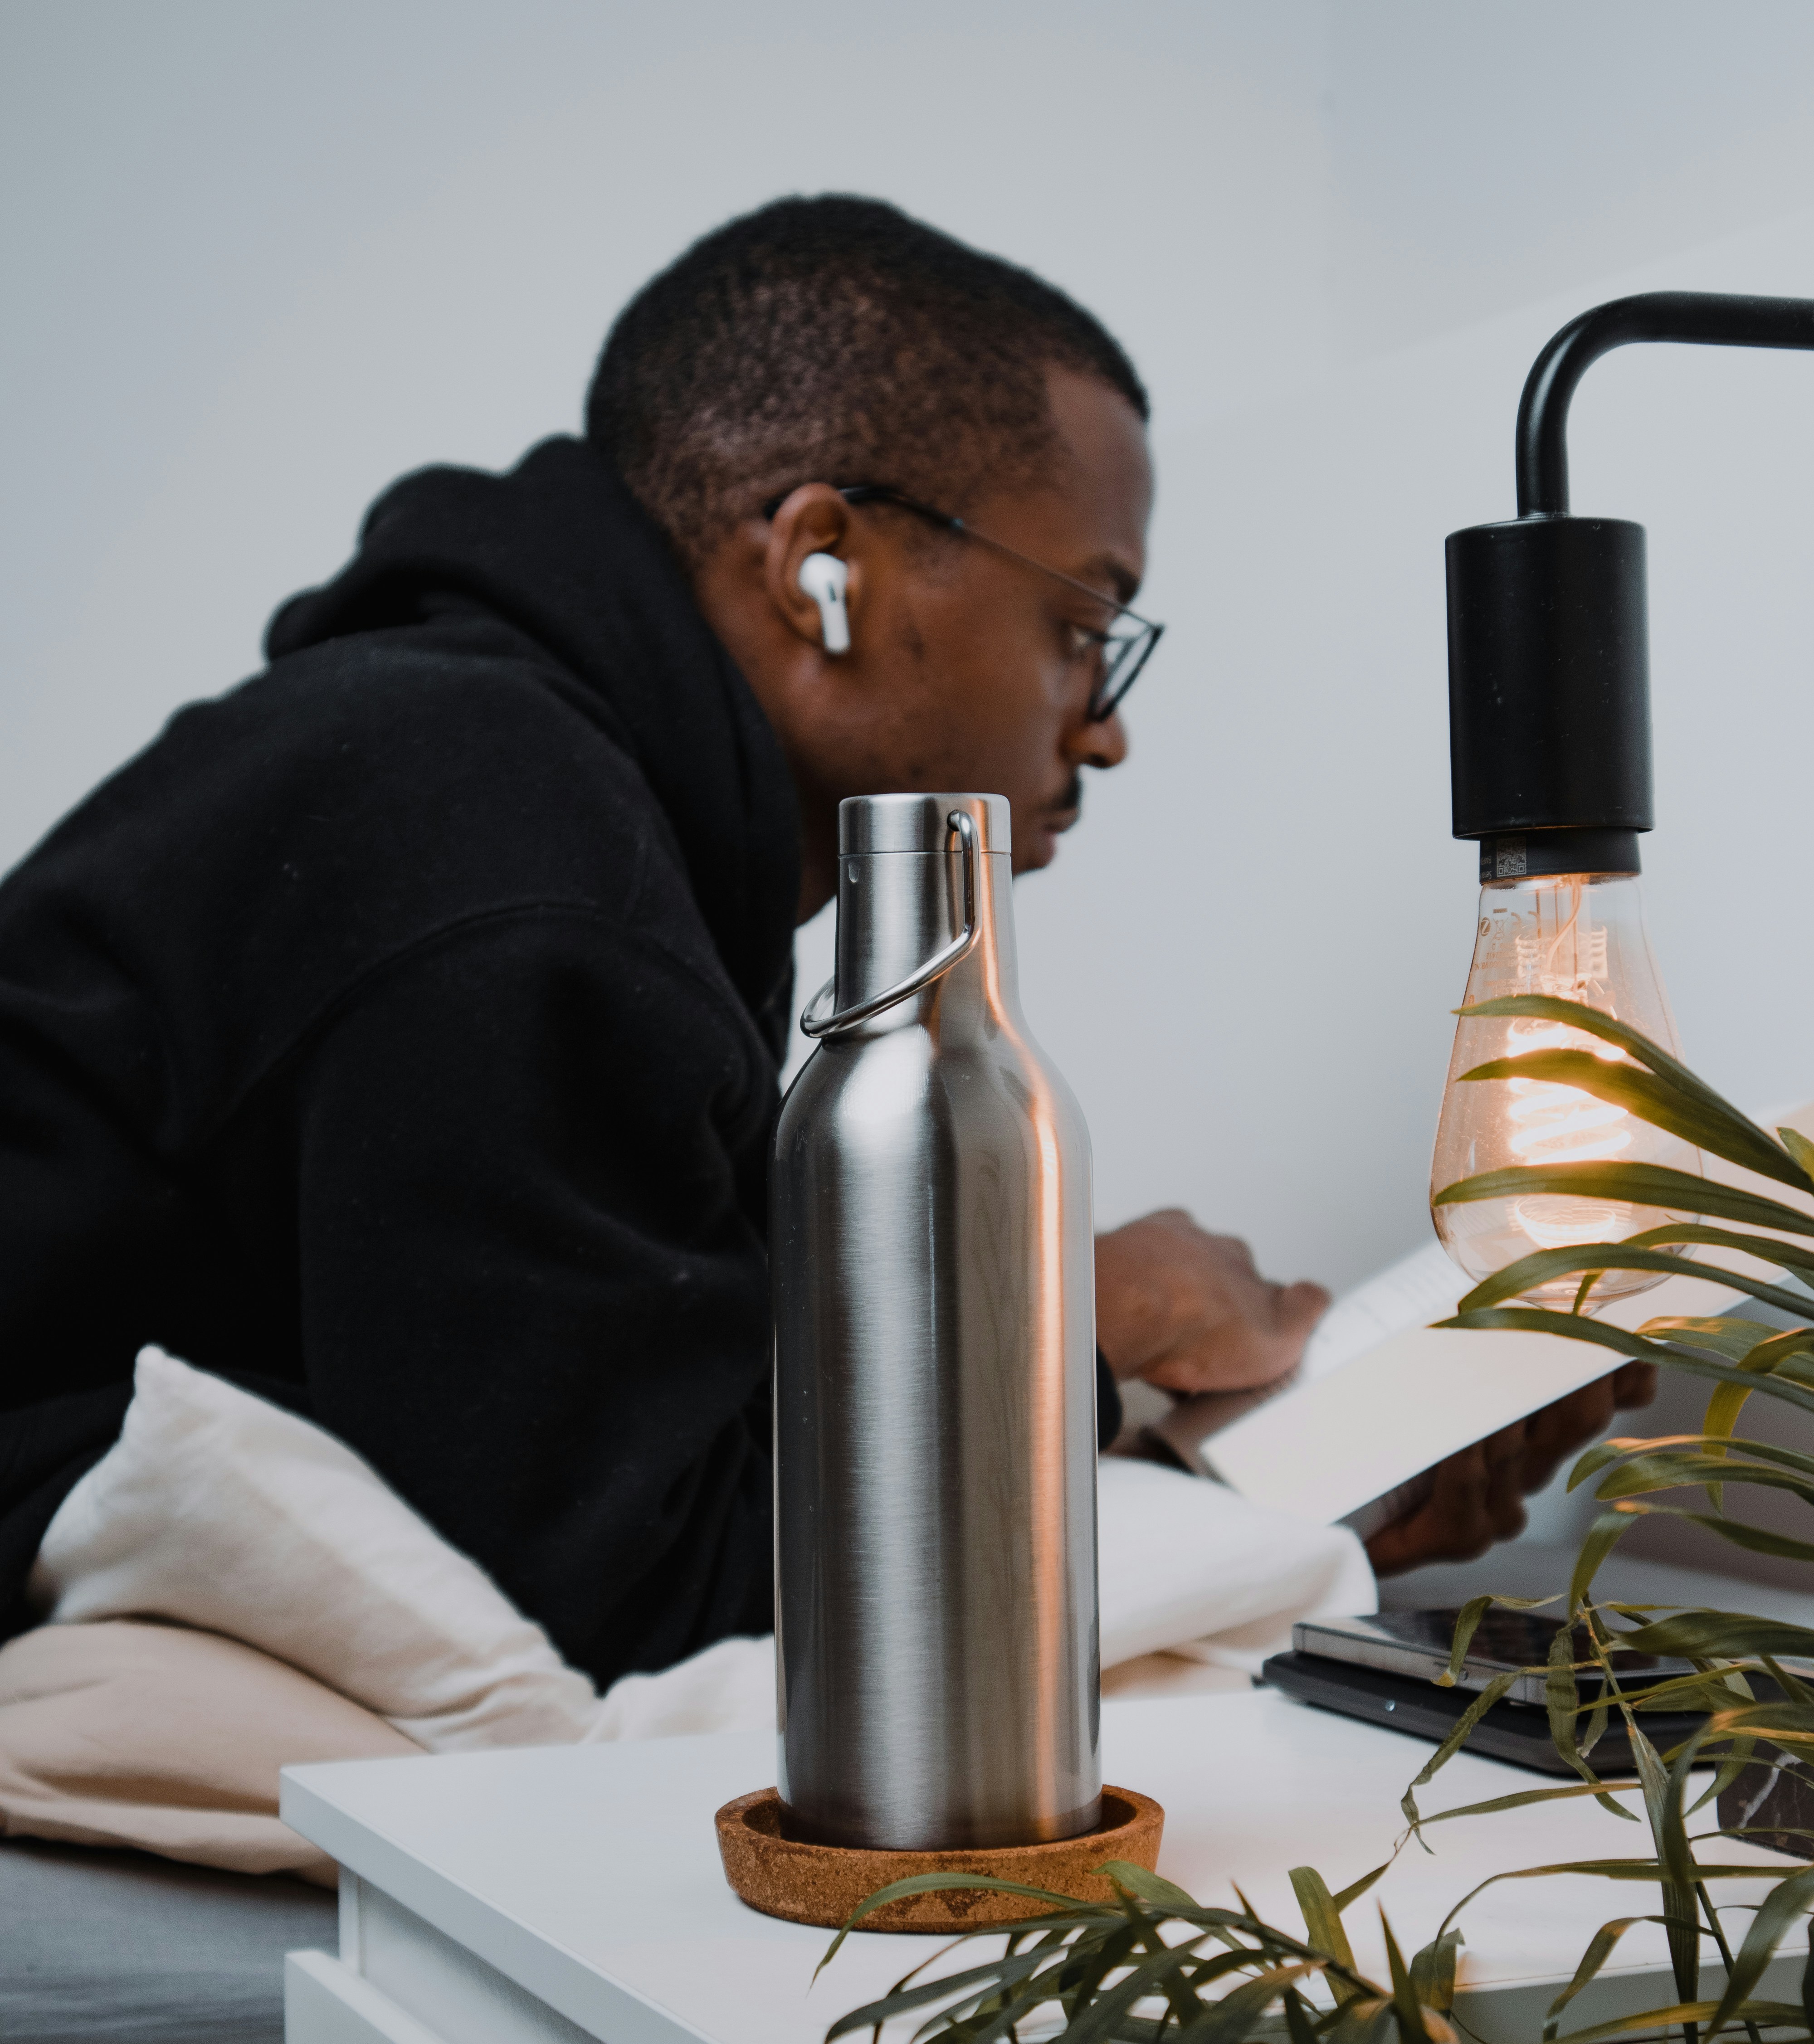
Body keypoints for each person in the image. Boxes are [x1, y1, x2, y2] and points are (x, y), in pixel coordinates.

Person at [0, 196, 1647, 1680]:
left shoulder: (544, 798)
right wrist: (1048, 1315)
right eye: (1082, 625)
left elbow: (659, 1453)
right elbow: (627, 1599)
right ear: (821, 569)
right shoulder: (507, 852)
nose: (1105, 727)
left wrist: (1259, 1490)